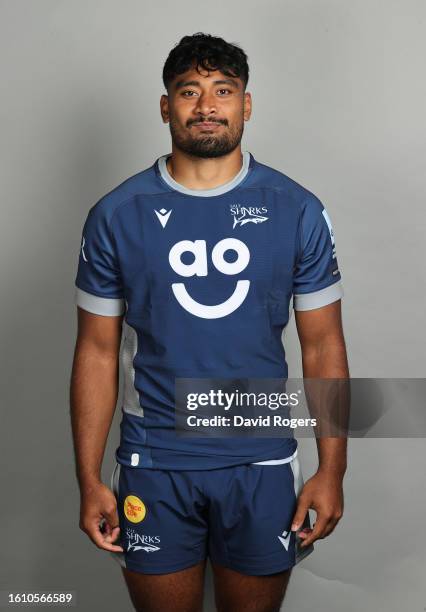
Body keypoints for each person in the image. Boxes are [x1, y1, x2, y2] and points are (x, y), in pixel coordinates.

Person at [70, 32, 348, 612]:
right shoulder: (116, 215)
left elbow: (323, 347)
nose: (206, 106)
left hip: (262, 461)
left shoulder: (296, 209)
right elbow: (96, 352)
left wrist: (332, 469)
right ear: (166, 106)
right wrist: (90, 477)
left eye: (223, 90)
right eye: (189, 91)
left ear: (246, 105)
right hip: (153, 461)